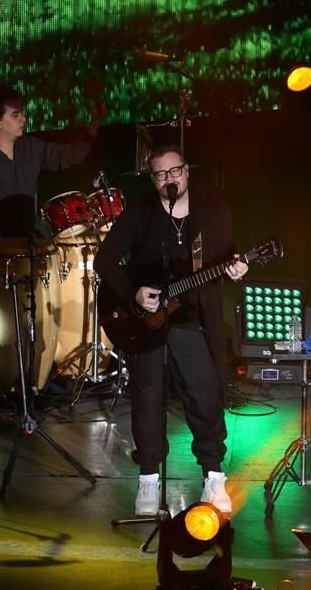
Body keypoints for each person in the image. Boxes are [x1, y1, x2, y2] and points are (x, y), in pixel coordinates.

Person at [93, 145, 248, 516]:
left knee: (205, 396)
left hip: (193, 319)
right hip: (147, 321)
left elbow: (228, 252)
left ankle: (213, 475)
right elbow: (105, 260)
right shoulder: (142, 210)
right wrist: (135, 292)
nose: (169, 180)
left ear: (187, 171)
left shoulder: (211, 205)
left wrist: (239, 267)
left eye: (175, 171)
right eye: (161, 174)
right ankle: (148, 479)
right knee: (148, 399)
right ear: (152, 178)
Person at [0, 85, 106, 262]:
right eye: (15, 115)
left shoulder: (31, 147)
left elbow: (70, 155)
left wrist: (94, 124)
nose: (23, 119)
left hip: (27, 246)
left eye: (21, 113)